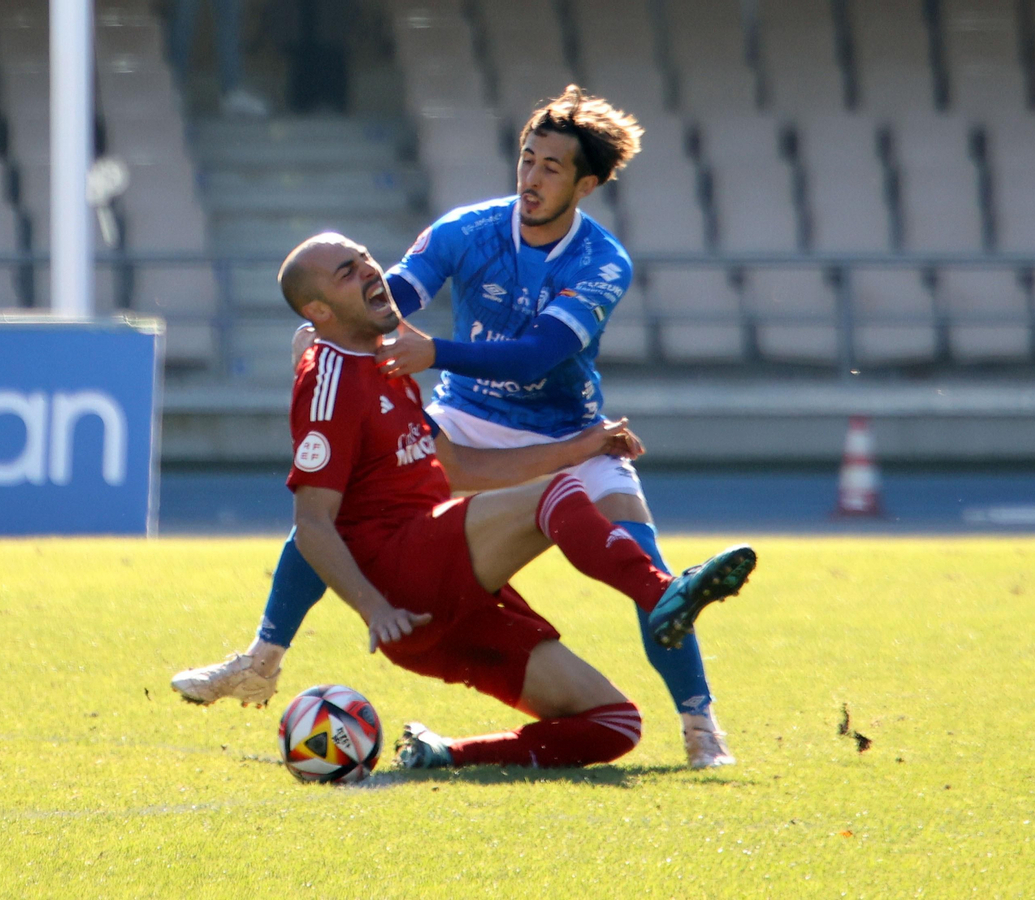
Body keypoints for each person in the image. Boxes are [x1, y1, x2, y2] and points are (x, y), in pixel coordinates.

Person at [174, 86, 743, 769]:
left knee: (641, 558)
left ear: (585, 185)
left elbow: (537, 355)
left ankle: (699, 724)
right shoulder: (468, 230)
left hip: (564, 426)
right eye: (527, 159)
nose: (531, 177)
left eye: (551, 168)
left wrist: (435, 352)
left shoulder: (602, 261)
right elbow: (391, 297)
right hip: (465, 417)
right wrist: (325, 329)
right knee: (340, 503)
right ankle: (262, 659)